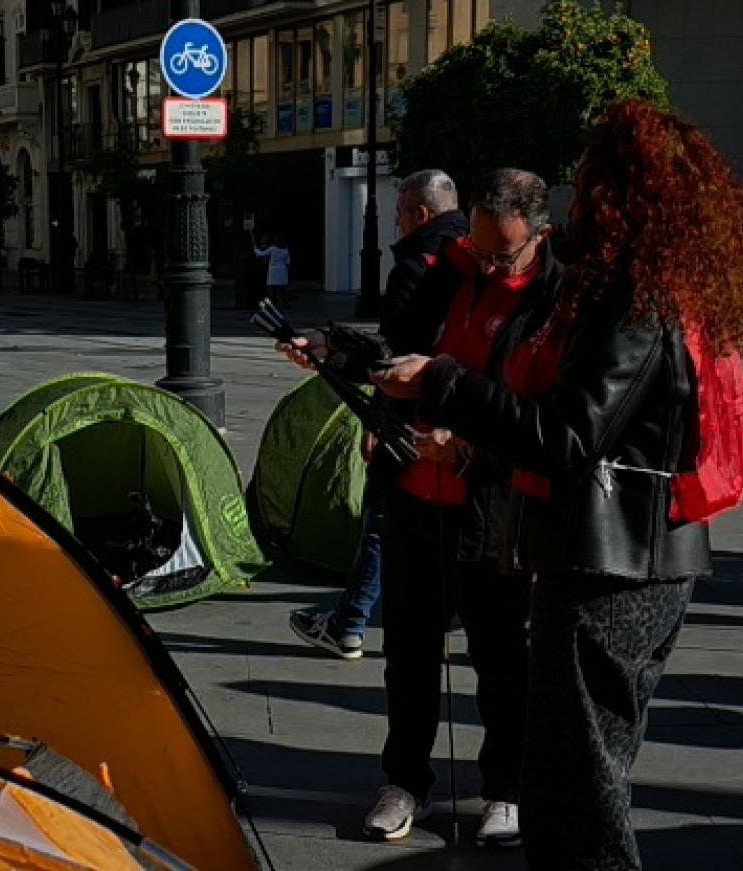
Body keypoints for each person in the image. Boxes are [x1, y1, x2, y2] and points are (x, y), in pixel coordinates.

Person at [371, 102, 743, 870]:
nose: (577, 200)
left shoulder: (635, 298)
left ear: (622, 193)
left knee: (579, 788)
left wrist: (447, 382)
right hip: (632, 558)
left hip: (609, 568)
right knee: (576, 779)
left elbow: (567, 434)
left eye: (589, 182)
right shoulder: (654, 286)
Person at [282, 169, 564, 846]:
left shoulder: (558, 297)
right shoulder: (449, 267)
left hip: (491, 504)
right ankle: (404, 779)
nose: (489, 261)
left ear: (541, 236)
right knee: (408, 651)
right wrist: (333, 350)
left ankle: (505, 789)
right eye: (481, 245)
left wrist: (467, 450)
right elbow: (397, 346)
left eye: (506, 254)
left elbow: (546, 424)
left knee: (502, 657)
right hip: (414, 488)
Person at [289, 169, 468, 659]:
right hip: (464, 413)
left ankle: (350, 623)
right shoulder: (475, 257)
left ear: (420, 214)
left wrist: (375, 415)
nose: (396, 224)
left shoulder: (416, 265)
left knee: (383, 515)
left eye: (399, 214)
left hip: (412, 415)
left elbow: (397, 359)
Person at [253, 234, 292, 306]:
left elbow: (261, 254)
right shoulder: (285, 250)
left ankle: (273, 304)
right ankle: (283, 303)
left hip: (273, 271)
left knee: (271, 289)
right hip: (282, 271)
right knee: (281, 289)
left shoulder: (272, 249)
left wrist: (255, 249)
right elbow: (288, 263)